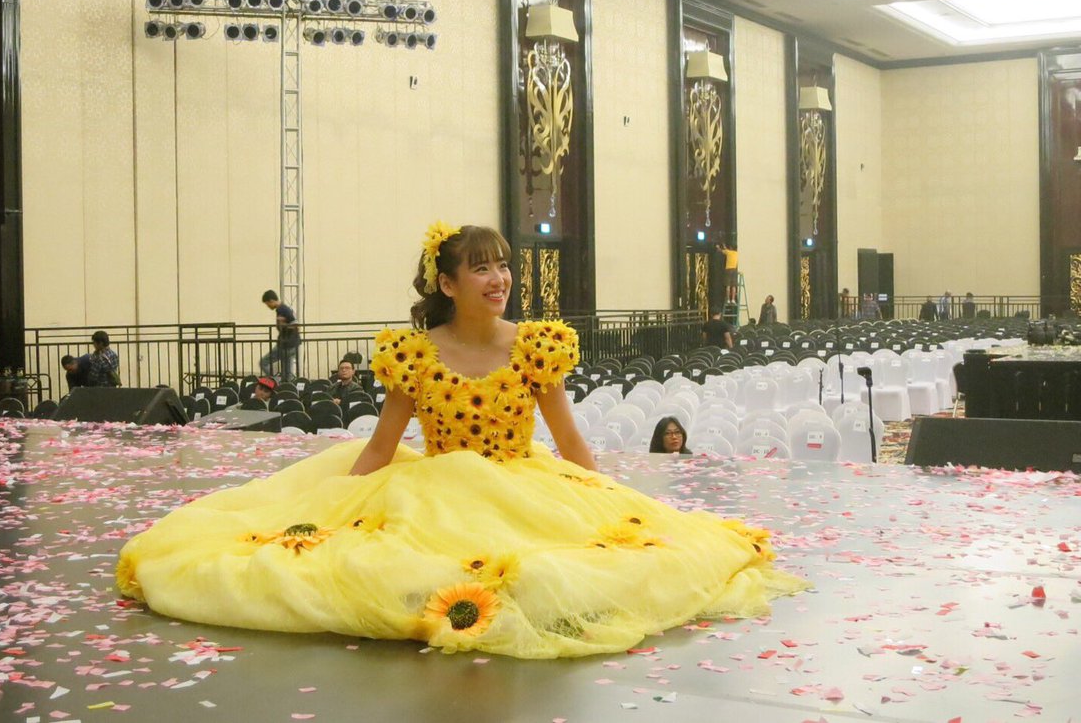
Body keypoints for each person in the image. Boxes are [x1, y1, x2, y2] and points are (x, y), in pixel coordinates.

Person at [115, 222, 806, 659]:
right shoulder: (415, 354)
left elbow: (568, 437)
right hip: (437, 487)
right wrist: (337, 508)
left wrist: (607, 497)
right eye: (480, 267)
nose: (498, 278)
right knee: (403, 570)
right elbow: (382, 445)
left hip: (523, 481)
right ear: (447, 283)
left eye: (501, 265)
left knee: (565, 571)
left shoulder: (535, 345)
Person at [260, 291, 300, 380]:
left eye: (267, 304)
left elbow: (296, 325)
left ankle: (274, 381)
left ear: (271, 301)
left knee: (263, 362)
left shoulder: (283, 309)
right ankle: (285, 385)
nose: (268, 306)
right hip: (291, 344)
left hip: (286, 344)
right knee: (287, 374)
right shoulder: (282, 309)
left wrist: (283, 324)